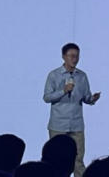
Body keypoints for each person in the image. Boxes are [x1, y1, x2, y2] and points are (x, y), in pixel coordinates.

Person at [43, 43, 101, 177]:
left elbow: (86, 97)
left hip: (76, 124)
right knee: (56, 160)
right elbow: (47, 97)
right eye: (72, 56)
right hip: (58, 124)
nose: (74, 59)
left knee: (78, 160)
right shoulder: (54, 75)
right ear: (63, 56)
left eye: (77, 56)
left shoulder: (82, 76)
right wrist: (63, 91)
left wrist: (92, 98)